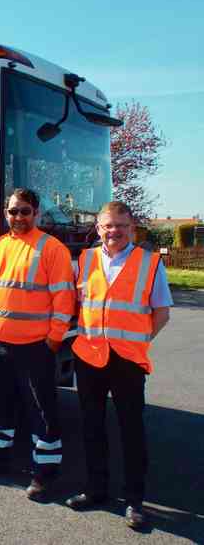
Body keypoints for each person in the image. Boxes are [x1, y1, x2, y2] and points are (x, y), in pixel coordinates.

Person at [66, 201, 172, 530]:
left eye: (121, 226)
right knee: (91, 426)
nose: (114, 231)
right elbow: (76, 305)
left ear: (132, 228)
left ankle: (135, 501)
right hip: (89, 356)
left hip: (127, 361)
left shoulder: (150, 263)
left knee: (131, 430)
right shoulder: (84, 260)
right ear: (98, 228)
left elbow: (162, 313)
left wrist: (137, 342)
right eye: (107, 226)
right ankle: (95, 489)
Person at [0, 188, 76, 502]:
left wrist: (55, 338)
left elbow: (63, 297)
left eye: (25, 211)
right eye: (13, 211)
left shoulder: (51, 248)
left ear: (36, 213)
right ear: (6, 213)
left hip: (35, 346)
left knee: (41, 410)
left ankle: (45, 474)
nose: (18, 217)